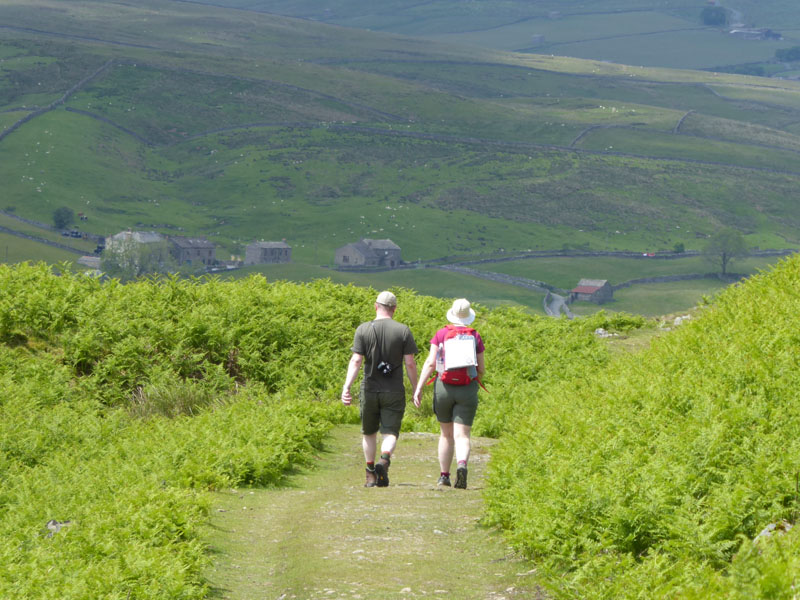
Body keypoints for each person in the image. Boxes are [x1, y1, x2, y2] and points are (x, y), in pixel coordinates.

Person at [342, 291, 419, 488]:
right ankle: (384, 460)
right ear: (394, 309)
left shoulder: (363, 329)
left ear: (376, 306)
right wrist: (415, 388)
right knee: (390, 432)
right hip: (393, 390)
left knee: (368, 432)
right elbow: (409, 363)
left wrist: (347, 386)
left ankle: (370, 474)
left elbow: (356, 360)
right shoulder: (403, 330)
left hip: (369, 388)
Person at [413, 298, 485, 489]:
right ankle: (462, 465)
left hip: (443, 387)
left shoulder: (442, 333)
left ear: (452, 313)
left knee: (446, 435)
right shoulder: (475, 336)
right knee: (463, 435)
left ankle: (444, 476)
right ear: (468, 316)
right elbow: (482, 369)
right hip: (467, 388)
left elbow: (430, 363)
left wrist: (419, 387)